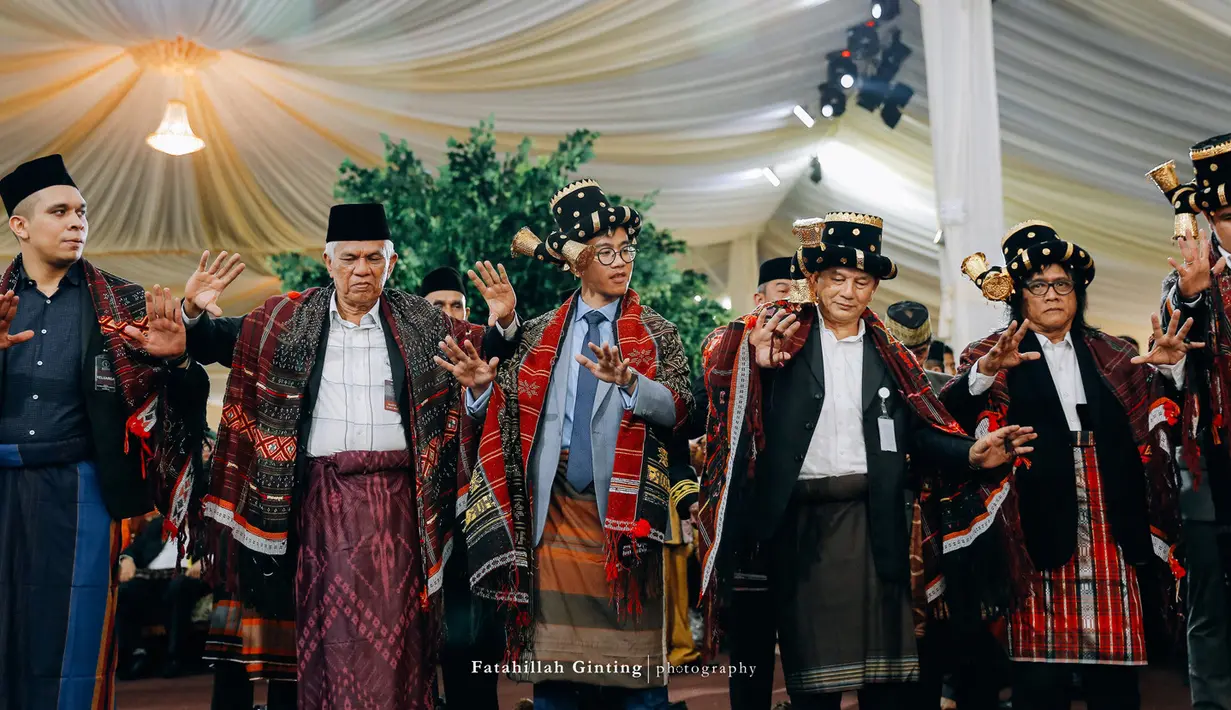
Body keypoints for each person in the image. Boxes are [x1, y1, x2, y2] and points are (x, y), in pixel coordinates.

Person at [152, 202, 520, 710]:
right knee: (321, 640)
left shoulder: (422, 322)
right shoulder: (284, 319)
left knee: (401, 643)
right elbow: (215, 340)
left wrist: (505, 323)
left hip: (400, 508)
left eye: (374, 258)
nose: (362, 270)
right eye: (349, 258)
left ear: (392, 263)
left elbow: (486, 351)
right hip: (315, 506)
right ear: (328, 261)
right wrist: (192, 311)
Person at [696, 213, 1033, 710]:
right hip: (798, 532)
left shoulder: (891, 354)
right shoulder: (779, 342)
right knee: (814, 690)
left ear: (874, 288)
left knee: (886, 689)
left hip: (878, 525)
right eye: (836, 279)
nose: (847, 292)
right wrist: (754, 362)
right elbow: (716, 368)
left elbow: (922, 428)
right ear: (814, 280)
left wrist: (970, 453)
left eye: (860, 282)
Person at [446, 179, 693, 710]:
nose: (621, 262)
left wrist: (630, 382)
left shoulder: (657, 333)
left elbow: (681, 408)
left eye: (626, 249)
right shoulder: (538, 333)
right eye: (606, 252)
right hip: (552, 511)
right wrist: (483, 390)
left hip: (624, 520)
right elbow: (507, 413)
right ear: (577, 262)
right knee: (557, 683)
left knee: (638, 686)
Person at [943, 221, 1190, 710]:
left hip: (1111, 522)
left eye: (1062, 284)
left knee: (1116, 686)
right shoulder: (990, 354)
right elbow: (950, 420)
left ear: (1077, 292)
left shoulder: (1114, 353)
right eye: (1038, 285)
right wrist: (986, 371)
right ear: (1019, 295)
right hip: (1033, 529)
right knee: (1040, 686)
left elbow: (1160, 426)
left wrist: (1172, 370)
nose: (1053, 294)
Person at [0, 154, 208, 709]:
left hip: (82, 487)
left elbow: (182, 408)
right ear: (20, 225)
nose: (77, 222)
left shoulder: (123, 304)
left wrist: (179, 359)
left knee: (77, 630)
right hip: (2, 482)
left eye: (82, 212)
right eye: (60, 212)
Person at [1151, 135, 1231, 710]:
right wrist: (1193, 297)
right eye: (1225, 215)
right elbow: (1170, 367)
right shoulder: (1182, 283)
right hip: (1210, 465)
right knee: (1210, 602)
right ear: (1207, 219)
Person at [421, 264, 503, 710]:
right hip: (415, 523)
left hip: (472, 522)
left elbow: (502, 423)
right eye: (439, 306)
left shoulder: (483, 357)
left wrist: (478, 394)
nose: (450, 315)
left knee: (475, 640)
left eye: (458, 306)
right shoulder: (405, 362)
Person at [114, 513, 211, 679]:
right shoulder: (160, 525)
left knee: (178, 587)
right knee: (124, 590)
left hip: (186, 575)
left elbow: (224, 549)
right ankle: (136, 654)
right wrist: (127, 560)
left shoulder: (210, 525)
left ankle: (175, 657)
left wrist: (206, 561)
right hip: (153, 576)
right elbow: (134, 549)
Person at [885, 300, 949, 391]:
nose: (913, 360)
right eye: (905, 354)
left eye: (920, 352)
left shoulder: (947, 386)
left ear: (929, 347)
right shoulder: (873, 385)